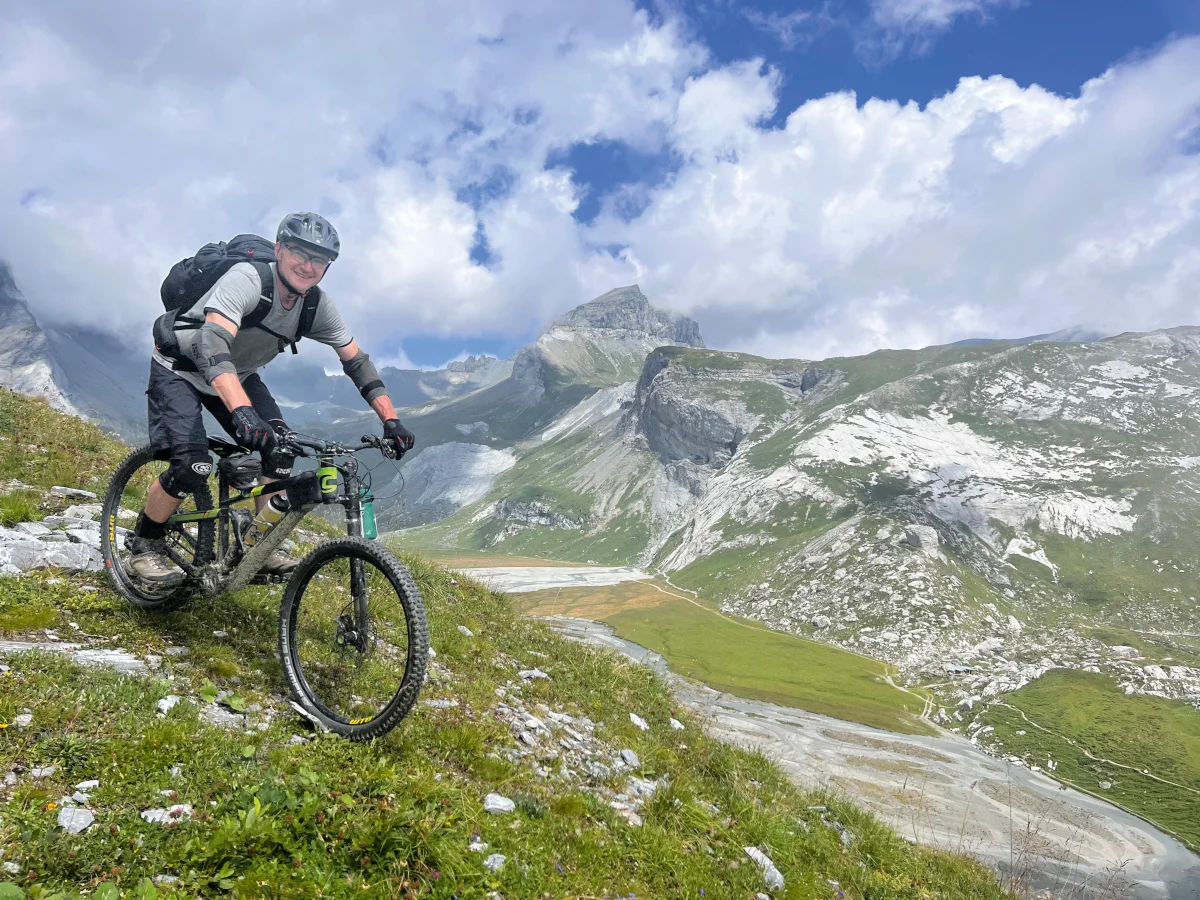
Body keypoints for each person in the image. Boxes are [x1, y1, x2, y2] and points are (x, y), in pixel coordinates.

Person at [129, 212, 415, 586]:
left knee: (281, 450)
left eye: (319, 259)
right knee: (192, 465)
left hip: (239, 374)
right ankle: (144, 545)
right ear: (279, 249)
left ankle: (260, 547)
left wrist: (391, 421)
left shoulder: (315, 306)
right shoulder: (248, 279)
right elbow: (211, 343)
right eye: (299, 253)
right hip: (180, 368)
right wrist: (242, 411)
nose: (307, 266)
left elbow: (357, 362)